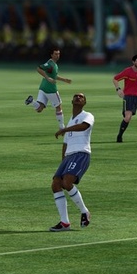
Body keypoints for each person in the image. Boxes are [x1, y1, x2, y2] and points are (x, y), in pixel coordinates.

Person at [49, 93, 94, 231]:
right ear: (72, 101)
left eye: (81, 97)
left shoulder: (87, 115)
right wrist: (63, 162)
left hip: (81, 153)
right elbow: (65, 144)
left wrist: (65, 129)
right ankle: (64, 222)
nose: (78, 97)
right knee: (56, 184)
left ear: (84, 102)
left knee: (67, 182)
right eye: (76, 96)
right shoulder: (70, 121)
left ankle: (85, 212)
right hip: (69, 156)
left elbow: (84, 126)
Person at [25, 47, 72, 130]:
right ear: (51, 55)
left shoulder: (53, 64)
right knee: (58, 107)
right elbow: (39, 68)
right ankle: (62, 127)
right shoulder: (50, 64)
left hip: (43, 87)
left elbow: (53, 76)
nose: (57, 55)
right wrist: (47, 78)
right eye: (56, 54)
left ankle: (31, 101)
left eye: (58, 54)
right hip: (50, 89)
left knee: (39, 108)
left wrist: (64, 79)